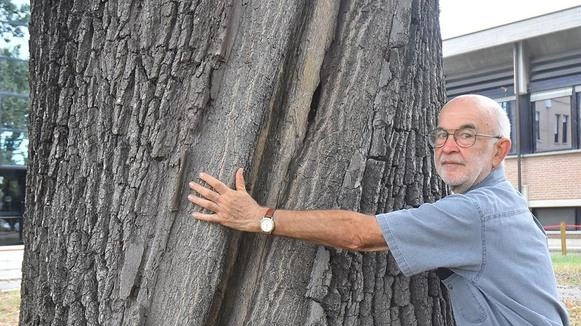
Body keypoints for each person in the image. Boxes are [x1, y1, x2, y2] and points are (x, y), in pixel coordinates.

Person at [188, 94, 569, 325]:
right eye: (442, 134)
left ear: (500, 150)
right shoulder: (497, 203)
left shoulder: (479, 212)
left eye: (467, 135)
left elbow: (361, 235)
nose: (449, 146)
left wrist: (260, 217)